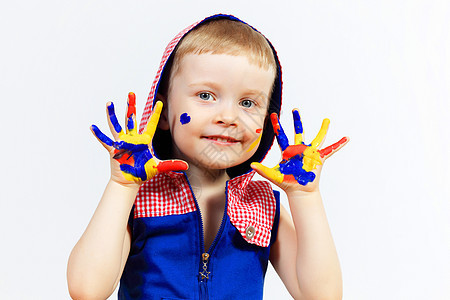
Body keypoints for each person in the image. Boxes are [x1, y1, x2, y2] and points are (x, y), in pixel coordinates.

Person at [67, 14, 348, 300]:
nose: (228, 117)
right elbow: (87, 290)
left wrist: (305, 197)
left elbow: (322, 296)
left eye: (248, 103)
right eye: (205, 95)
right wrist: (122, 187)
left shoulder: (262, 204)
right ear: (162, 112)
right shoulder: (140, 199)